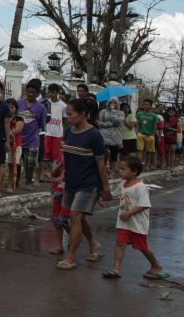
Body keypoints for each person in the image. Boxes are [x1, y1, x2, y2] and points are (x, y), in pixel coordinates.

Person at [56, 98, 112, 271]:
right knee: (78, 217)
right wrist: (60, 172)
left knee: (75, 216)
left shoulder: (94, 135)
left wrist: (105, 188)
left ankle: (71, 257)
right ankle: (93, 243)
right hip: (71, 182)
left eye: (71, 114)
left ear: (82, 114)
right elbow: (67, 157)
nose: (68, 118)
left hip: (89, 183)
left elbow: (101, 165)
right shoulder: (69, 132)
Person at [102, 156, 168, 280]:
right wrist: (102, 197)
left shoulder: (140, 187)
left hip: (137, 223)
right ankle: (116, 269)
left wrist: (129, 213)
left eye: (123, 169)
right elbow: (113, 195)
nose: (120, 171)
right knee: (120, 243)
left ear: (134, 171)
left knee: (142, 247)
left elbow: (144, 205)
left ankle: (156, 265)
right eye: (120, 169)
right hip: (124, 223)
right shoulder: (123, 184)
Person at [17, 82, 47, 189]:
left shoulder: (41, 108)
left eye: (33, 92)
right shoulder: (19, 103)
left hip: (33, 139)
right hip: (18, 138)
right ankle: (16, 182)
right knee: (17, 161)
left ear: (37, 93)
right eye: (28, 92)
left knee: (30, 162)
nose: (30, 94)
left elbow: (42, 125)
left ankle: (28, 182)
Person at [42, 83, 66, 170]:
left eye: (52, 92)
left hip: (57, 133)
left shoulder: (63, 106)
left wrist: (62, 132)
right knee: (45, 152)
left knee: (56, 154)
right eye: (49, 92)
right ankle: (43, 172)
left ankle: (54, 172)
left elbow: (64, 119)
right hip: (47, 132)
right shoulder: (45, 103)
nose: (50, 94)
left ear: (57, 93)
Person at [97, 98, 125, 175]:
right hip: (104, 135)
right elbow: (99, 123)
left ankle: (112, 170)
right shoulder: (103, 111)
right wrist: (105, 124)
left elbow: (118, 123)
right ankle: (104, 169)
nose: (112, 104)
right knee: (104, 153)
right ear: (108, 103)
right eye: (110, 103)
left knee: (114, 154)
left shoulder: (121, 113)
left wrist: (113, 112)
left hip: (115, 136)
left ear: (117, 104)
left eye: (114, 103)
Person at [48, 160, 69, 256]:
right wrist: (58, 166)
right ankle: (59, 245)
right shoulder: (58, 161)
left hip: (68, 193)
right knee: (56, 220)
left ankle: (73, 237)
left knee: (63, 219)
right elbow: (52, 175)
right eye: (61, 148)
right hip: (57, 192)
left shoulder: (73, 160)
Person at [135, 99, 158, 167]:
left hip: (150, 135)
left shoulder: (154, 115)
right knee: (139, 150)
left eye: (147, 104)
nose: (145, 106)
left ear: (150, 106)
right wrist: (138, 132)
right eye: (144, 104)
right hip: (141, 134)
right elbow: (137, 124)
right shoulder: (139, 114)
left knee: (149, 151)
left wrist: (153, 135)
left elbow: (155, 126)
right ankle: (139, 165)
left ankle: (147, 165)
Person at [8, 98, 23, 192]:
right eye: (8, 107)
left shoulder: (19, 119)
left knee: (13, 165)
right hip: (5, 144)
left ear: (16, 108)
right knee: (6, 165)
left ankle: (12, 185)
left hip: (16, 145)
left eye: (12, 107)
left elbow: (17, 130)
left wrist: (7, 131)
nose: (10, 109)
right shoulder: (3, 117)